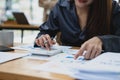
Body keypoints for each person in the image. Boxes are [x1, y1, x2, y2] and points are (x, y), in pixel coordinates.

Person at [35, 0, 120, 60]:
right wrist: (42, 38)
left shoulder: (112, 8)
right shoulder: (61, 7)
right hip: (65, 67)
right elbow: (45, 31)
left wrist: (102, 40)